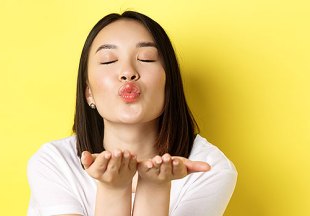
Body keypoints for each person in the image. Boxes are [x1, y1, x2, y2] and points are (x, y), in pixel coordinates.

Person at [27, 11, 237, 216]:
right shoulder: (54, 162)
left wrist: (154, 186)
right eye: (109, 60)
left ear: (169, 85)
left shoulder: (208, 167)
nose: (128, 72)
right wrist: (115, 189)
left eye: (146, 58)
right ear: (88, 92)